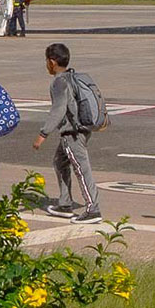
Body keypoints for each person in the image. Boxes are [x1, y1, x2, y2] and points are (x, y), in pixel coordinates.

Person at [33, 43, 102, 224]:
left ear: (52, 62)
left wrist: (43, 134)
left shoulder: (59, 82)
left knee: (81, 169)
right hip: (81, 129)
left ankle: (93, 209)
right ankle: (65, 204)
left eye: (46, 61)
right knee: (60, 161)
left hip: (72, 133)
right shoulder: (72, 77)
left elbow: (58, 109)